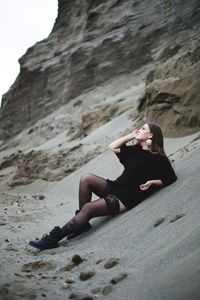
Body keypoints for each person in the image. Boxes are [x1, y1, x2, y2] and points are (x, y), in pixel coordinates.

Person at [29, 122, 177, 250]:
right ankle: (83, 224)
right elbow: (112, 146)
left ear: (151, 135)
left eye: (143, 129)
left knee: (88, 208)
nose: (139, 130)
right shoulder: (134, 151)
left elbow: (170, 178)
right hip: (115, 186)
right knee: (86, 178)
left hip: (125, 198)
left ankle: (53, 239)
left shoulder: (158, 158)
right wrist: (131, 135)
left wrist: (152, 182)